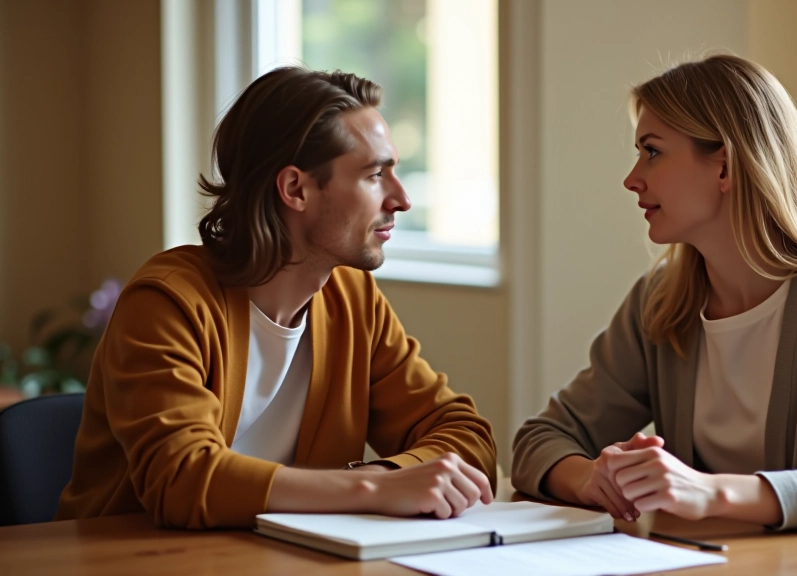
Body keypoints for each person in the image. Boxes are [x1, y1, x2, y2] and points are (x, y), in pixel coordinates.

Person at [56, 67, 496, 529]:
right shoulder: (167, 301)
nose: (401, 199)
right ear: (295, 189)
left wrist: (382, 474)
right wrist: (374, 490)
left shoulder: (354, 300)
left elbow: (467, 437)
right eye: (374, 175)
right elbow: (181, 477)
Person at [511, 54, 797, 534]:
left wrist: (704, 490)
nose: (632, 179)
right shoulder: (661, 300)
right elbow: (540, 439)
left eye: (652, 151)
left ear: (724, 166)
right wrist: (590, 479)